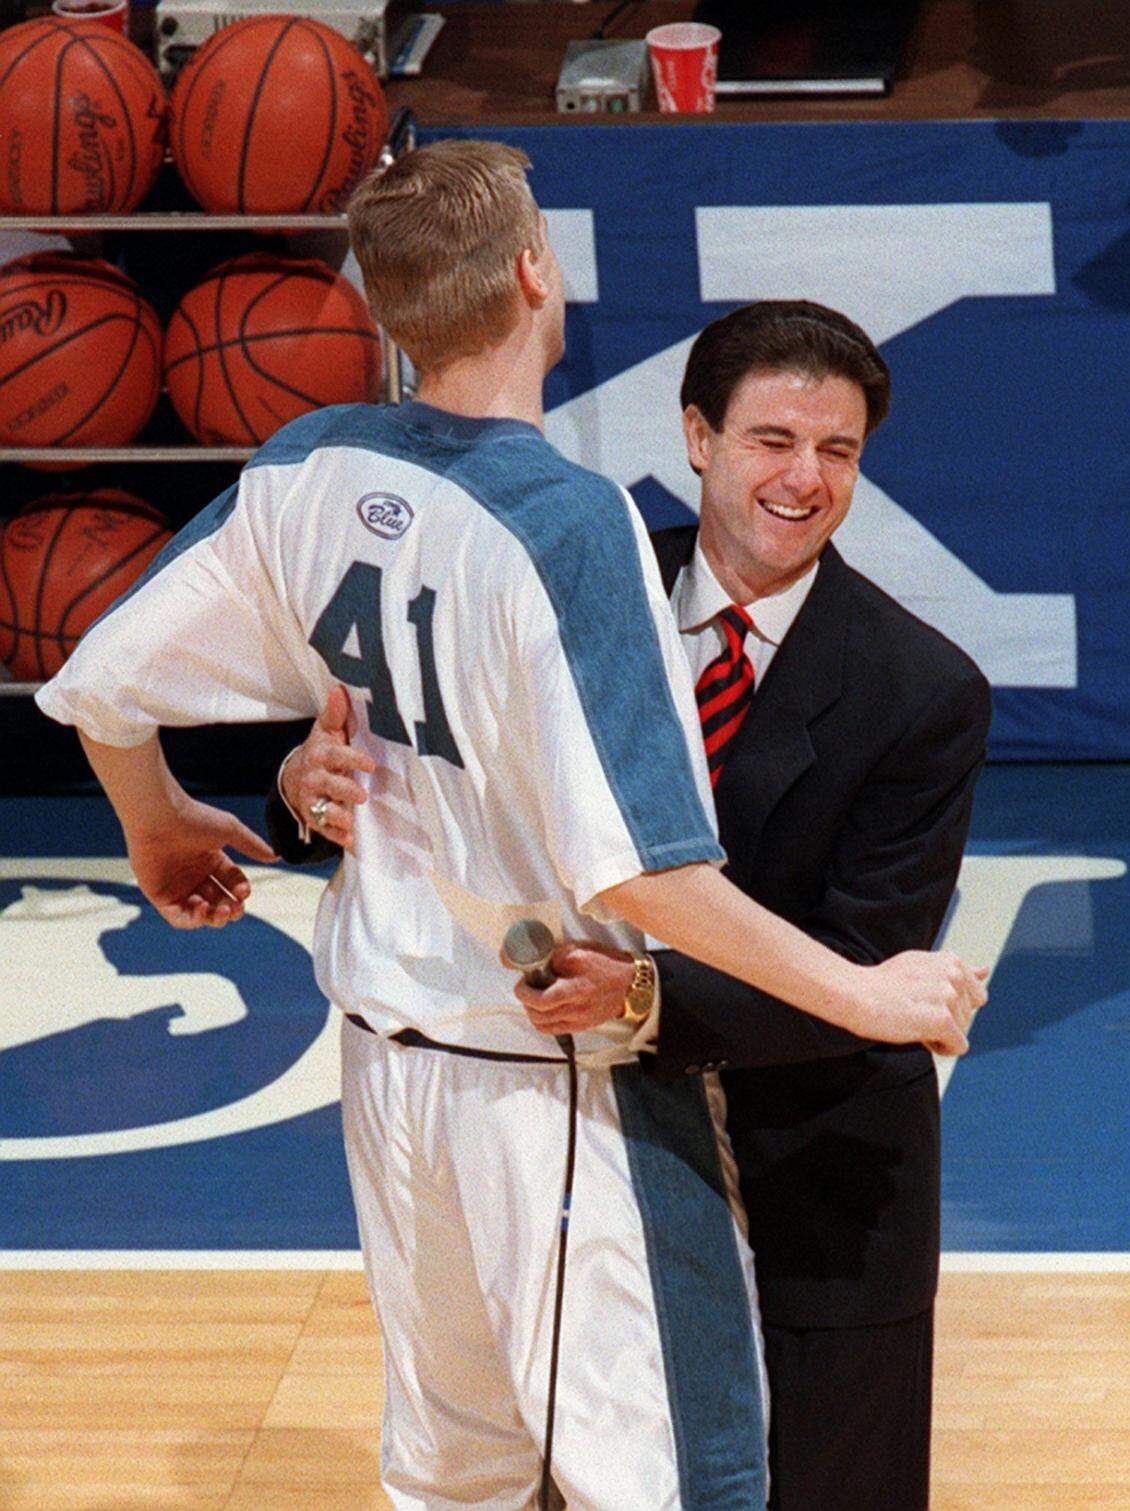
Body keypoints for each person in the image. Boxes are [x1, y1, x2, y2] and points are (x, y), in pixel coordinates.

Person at [37, 140, 983, 1509]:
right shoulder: (570, 523)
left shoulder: (309, 459)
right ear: (539, 274)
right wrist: (872, 991)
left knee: (456, 1468)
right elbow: (644, 868)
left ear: (381, 306)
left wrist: (159, 821)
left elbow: (102, 683)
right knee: (674, 1475)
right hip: (543, 1080)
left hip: (385, 1061)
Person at [276, 299, 992, 1508]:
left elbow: (862, 970)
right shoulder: (554, 580)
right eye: (773, 439)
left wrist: (649, 996)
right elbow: (410, 752)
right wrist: (307, 780)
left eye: (839, 450)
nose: (805, 479)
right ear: (698, 436)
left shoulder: (922, 689)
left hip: (810, 1160)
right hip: (567, 1133)